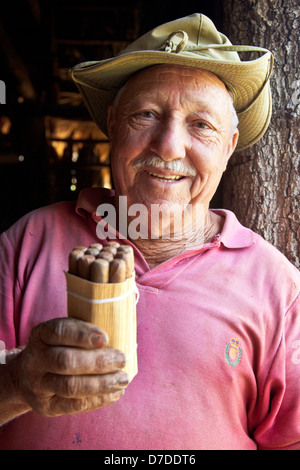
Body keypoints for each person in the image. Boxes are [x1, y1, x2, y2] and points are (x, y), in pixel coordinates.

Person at [0, 13, 299, 450]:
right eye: (147, 114)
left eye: (201, 125)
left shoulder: (276, 284)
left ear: (229, 145)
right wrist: (15, 378)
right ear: (115, 122)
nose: (169, 145)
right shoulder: (30, 241)